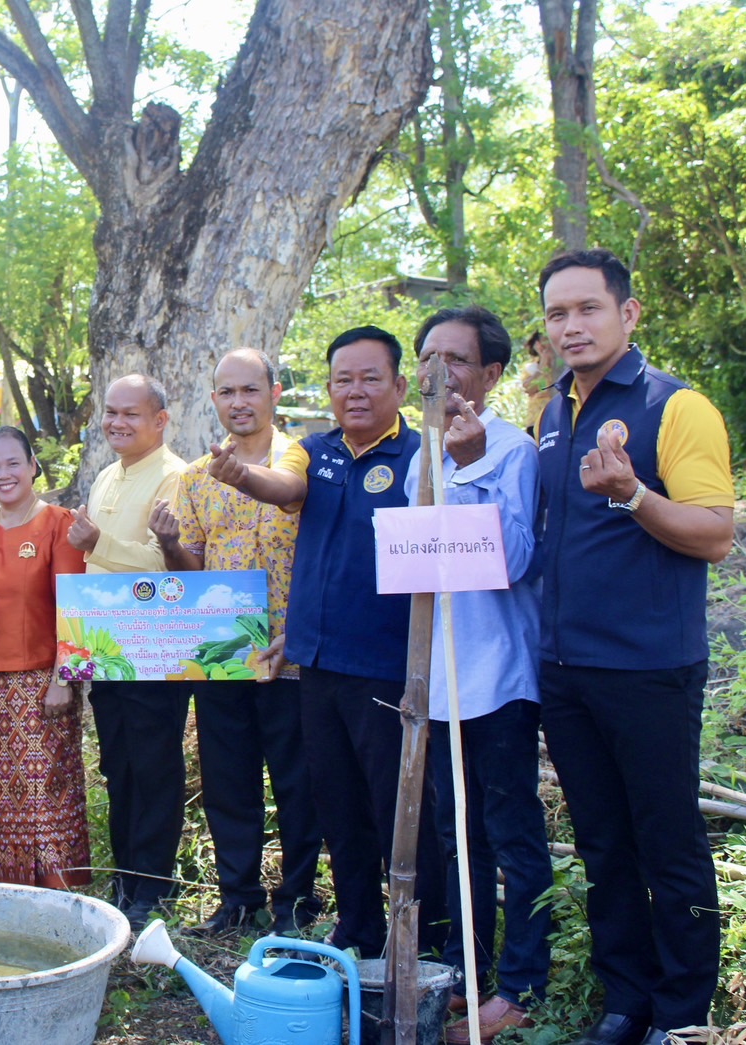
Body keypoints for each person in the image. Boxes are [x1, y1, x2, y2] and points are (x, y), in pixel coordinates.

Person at [534, 249, 732, 1045]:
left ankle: (682, 1016)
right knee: (602, 844)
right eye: (556, 314)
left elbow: (715, 534)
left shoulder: (675, 407)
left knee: (668, 845)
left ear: (629, 313)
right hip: (564, 668)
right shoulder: (552, 411)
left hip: (648, 668)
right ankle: (626, 1001)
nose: (571, 326)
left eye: (587, 308)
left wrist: (634, 494)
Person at [210, 326, 447, 957]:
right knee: (337, 807)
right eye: (343, 379)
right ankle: (358, 928)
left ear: (400, 385)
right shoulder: (311, 452)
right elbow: (286, 488)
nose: (356, 391)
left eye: (371, 378)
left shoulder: (426, 457)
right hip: (317, 666)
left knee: (397, 808)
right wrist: (244, 477)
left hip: (391, 669)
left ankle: (425, 939)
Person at [404, 308, 552, 1041]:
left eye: (455, 359)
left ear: (490, 375)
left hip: (496, 677)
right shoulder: (416, 452)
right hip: (437, 679)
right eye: (428, 356)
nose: (439, 371)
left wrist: (467, 467)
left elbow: (515, 559)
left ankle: (522, 984)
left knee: (509, 831)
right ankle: (467, 969)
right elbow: (417, 559)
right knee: (452, 833)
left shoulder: (510, 450)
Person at [151, 348, 322, 937]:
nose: (239, 402)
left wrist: (245, 476)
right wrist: (170, 544)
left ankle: (297, 900)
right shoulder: (196, 477)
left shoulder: (299, 453)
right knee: (229, 779)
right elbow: (191, 572)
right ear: (215, 399)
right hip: (224, 650)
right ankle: (238, 898)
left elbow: (289, 488)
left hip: (289, 649)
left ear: (274, 394)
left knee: (299, 781)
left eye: (250, 390)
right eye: (227, 392)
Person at [0, 426, 90, 889]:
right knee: (2, 798)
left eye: (12, 463)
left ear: (32, 466)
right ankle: (12, 896)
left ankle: (61, 898)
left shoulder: (60, 524)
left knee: (48, 795)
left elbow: (75, 606)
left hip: (45, 681)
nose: (3, 474)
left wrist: (66, 679)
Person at [66, 375, 187, 928]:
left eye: (130, 414)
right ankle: (125, 879)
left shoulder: (177, 476)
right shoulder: (107, 477)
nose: (116, 422)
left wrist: (99, 543)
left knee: (154, 765)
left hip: (157, 648)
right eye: (110, 412)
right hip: (108, 645)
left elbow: (169, 567)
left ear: (160, 420)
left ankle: (153, 885)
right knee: (117, 764)